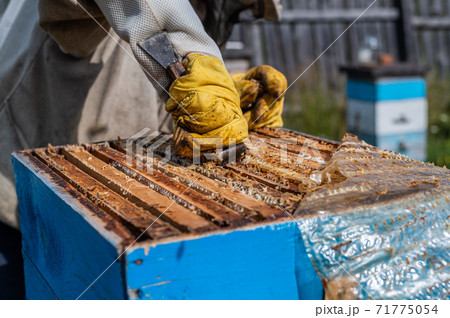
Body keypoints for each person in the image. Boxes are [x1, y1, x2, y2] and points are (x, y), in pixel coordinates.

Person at [0, 0, 287, 299]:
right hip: (20, 194)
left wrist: (220, 95)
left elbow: (152, 78)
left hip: (118, 210)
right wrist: (190, 63)